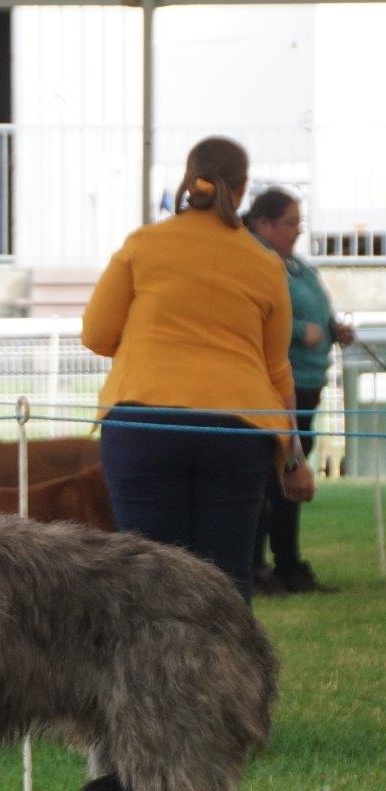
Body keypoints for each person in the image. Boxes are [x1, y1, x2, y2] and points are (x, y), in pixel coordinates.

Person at [82, 137, 315, 602]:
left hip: (143, 425)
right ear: (244, 188)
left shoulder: (142, 244)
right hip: (237, 432)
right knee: (227, 588)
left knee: (149, 590)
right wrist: (293, 457)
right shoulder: (267, 263)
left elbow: (96, 336)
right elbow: (277, 371)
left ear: (189, 178)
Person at [245, 187, 354, 594]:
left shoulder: (297, 267)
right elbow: (254, 316)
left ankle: (288, 565)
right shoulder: (254, 263)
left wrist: (332, 328)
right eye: (290, 223)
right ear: (264, 223)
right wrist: (295, 332)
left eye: (298, 223)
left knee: (293, 479)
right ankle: (257, 568)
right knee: (268, 482)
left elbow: (318, 311)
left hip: (308, 385)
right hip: (273, 390)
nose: (297, 231)